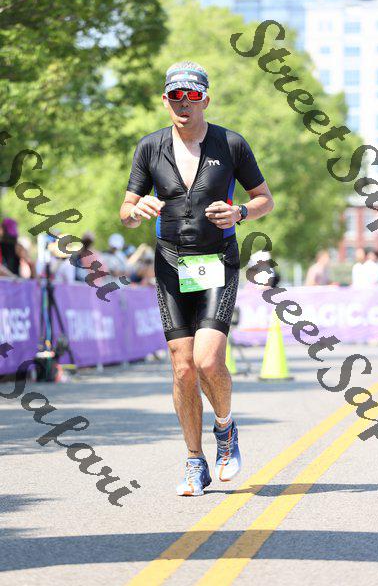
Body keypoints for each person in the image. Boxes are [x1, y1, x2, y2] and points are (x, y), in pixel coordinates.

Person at [119, 61, 274, 496]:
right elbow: (126, 211)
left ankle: (225, 429)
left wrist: (241, 212)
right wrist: (135, 211)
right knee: (183, 367)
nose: (183, 104)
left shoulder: (231, 144)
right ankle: (194, 460)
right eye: (175, 96)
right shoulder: (150, 147)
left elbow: (264, 199)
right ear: (165, 100)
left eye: (191, 97)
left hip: (217, 260)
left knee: (207, 361)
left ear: (205, 99)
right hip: (170, 262)